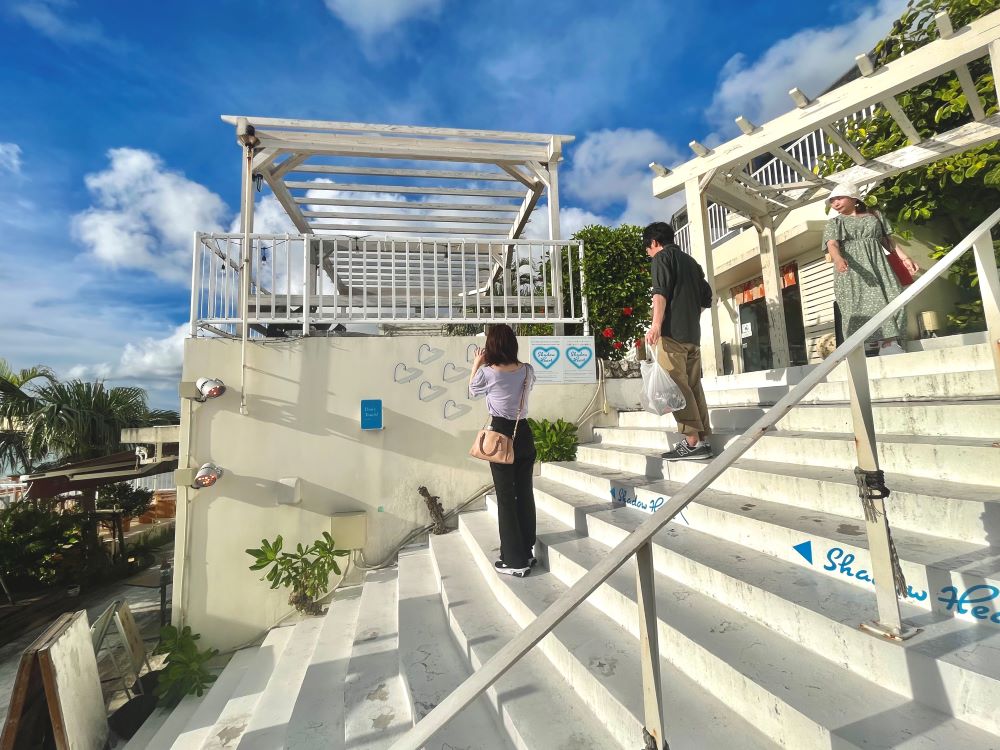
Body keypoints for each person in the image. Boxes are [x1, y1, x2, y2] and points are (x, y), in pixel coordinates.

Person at [469, 324, 537, 577]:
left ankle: (514, 560)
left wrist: (477, 363)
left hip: (499, 434)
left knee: (506, 498)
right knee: (525, 493)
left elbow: (471, 390)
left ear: (492, 346)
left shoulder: (488, 372)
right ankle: (527, 552)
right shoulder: (528, 370)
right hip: (524, 432)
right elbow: (526, 391)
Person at [643, 222, 714, 461]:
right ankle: (702, 440)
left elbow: (660, 293)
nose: (647, 252)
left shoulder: (661, 258)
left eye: (647, 247)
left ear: (654, 242)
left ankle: (692, 442)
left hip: (672, 335)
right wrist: (690, 316)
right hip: (693, 336)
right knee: (693, 387)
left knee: (677, 389)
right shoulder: (692, 263)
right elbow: (707, 296)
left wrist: (656, 325)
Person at [823, 182, 919, 356]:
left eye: (839, 198)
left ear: (854, 198)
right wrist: (837, 259)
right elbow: (832, 244)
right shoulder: (834, 223)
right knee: (858, 307)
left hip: (879, 266)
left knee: (894, 297)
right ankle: (861, 347)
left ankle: (889, 344)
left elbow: (888, 241)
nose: (835, 203)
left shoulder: (875, 216)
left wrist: (905, 258)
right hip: (853, 270)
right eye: (832, 200)